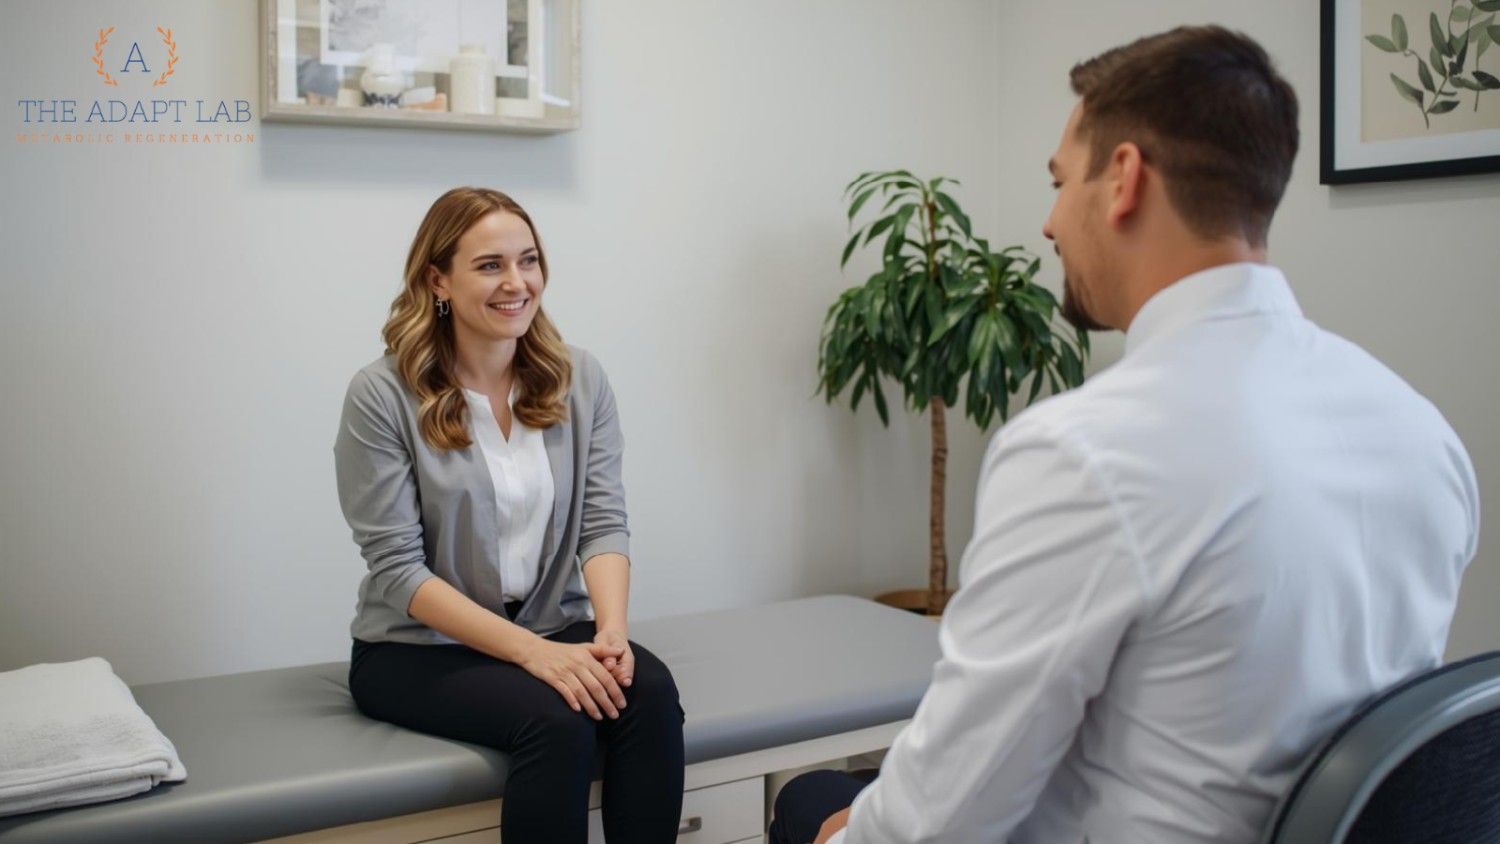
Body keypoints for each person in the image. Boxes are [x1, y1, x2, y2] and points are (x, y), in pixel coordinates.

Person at [772, 25, 1479, 844]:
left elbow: (936, 827)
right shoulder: (1420, 431)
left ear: (1123, 181)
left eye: (1058, 181)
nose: (1047, 224)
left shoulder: (1088, 453)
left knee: (810, 806)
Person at [333, 187, 686, 844]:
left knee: (651, 696)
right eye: (490, 265)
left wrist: (609, 633)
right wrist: (536, 657)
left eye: (529, 260)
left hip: (554, 624)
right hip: (417, 652)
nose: (517, 282)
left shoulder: (579, 378)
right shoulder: (381, 395)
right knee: (556, 720)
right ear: (437, 279)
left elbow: (603, 522)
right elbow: (398, 571)